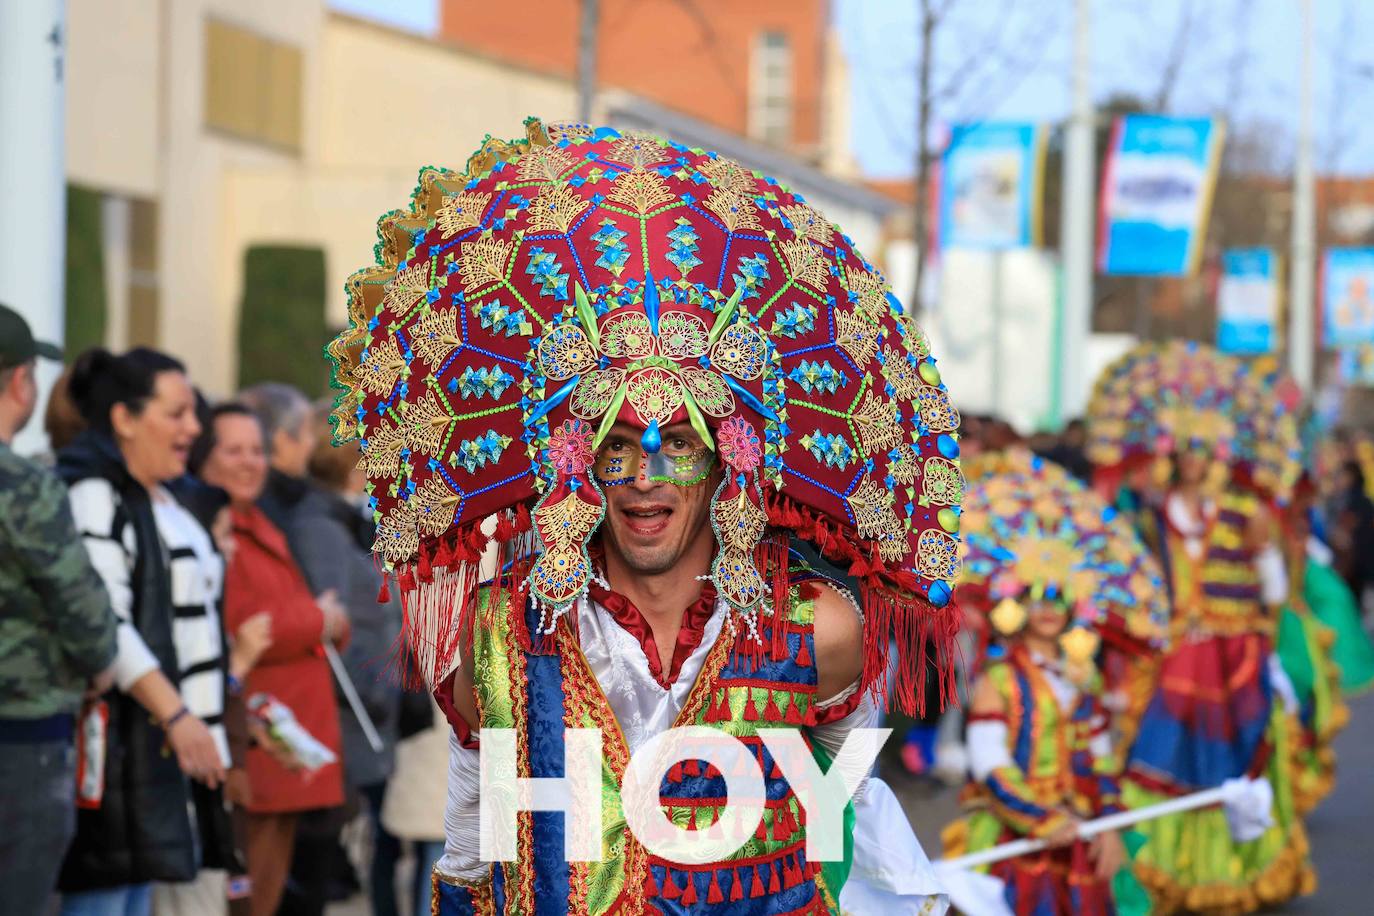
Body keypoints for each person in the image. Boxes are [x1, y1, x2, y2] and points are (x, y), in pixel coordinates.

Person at [325, 119, 958, 914]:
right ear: (575, 463)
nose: (643, 480)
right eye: (615, 448)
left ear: (728, 461)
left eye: (677, 448)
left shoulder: (821, 626)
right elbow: (472, 836)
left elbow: (843, 809)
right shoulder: (495, 629)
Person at [56, 347, 236, 916]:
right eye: (177, 412)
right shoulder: (94, 495)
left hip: (159, 755)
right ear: (125, 419)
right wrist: (178, 717)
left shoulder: (165, 499)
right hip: (116, 753)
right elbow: (105, 621)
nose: (194, 427)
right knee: (107, 899)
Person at [1121, 447, 1314, 914]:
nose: (1194, 460)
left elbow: (1274, 592)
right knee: (1160, 751)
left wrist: (1264, 546)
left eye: (1204, 451)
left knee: (1232, 757)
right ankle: (1157, 867)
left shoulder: (1245, 514)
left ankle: (1231, 867)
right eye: (1186, 448)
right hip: (1173, 655)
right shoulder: (1152, 516)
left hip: (1232, 660)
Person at [195, 403, 347, 916]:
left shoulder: (258, 521)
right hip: (254, 739)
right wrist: (317, 620)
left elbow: (280, 616)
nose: (250, 462)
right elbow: (246, 624)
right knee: (248, 893)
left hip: (284, 742)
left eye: (257, 450)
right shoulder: (217, 530)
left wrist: (317, 620)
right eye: (233, 450)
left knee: (268, 886)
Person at [0, 305, 119, 915]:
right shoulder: (23, 486)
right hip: (21, 733)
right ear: (20, 381)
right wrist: (101, 663)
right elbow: (81, 604)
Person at [292, 400, 403, 913]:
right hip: (350, 716)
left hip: (367, 712)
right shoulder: (321, 526)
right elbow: (334, 625)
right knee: (339, 864)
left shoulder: (344, 518)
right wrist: (377, 694)